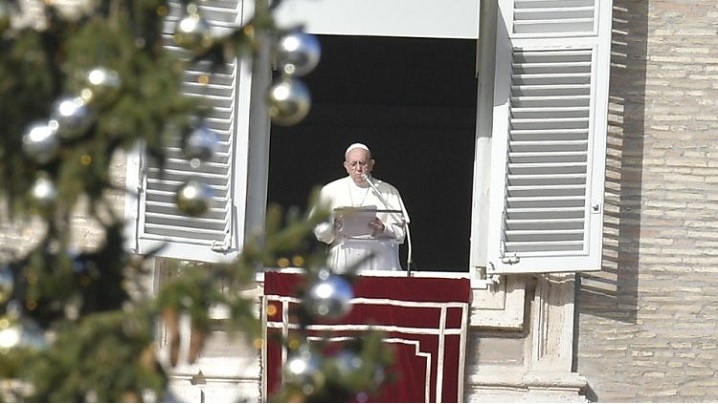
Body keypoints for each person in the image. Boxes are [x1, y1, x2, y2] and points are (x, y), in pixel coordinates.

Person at [312, 142, 410, 273]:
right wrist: (333, 225)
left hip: (380, 260)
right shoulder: (330, 190)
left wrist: (384, 228)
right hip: (344, 259)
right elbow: (317, 229)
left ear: (371, 165)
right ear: (346, 166)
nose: (358, 169)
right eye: (353, 164)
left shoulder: (388, 191)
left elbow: (402, 233)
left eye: (362, 163)